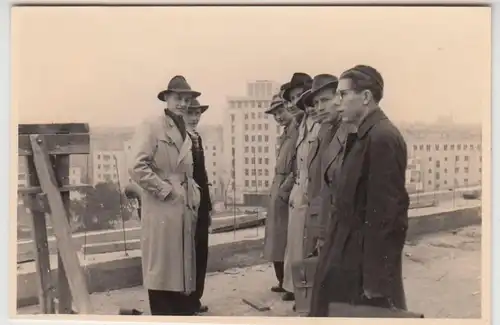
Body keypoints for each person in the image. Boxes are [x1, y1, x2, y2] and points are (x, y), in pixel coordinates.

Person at [308, 65, 409, 317]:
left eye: (343, 95)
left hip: (359, 265)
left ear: (365, 98)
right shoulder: (365, 134)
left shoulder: (382, 137)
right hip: (346, 253)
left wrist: (375, 282)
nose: (338, 102)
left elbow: (387, 216)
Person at [128, 75, 202, 316]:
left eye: (186, 99)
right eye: (177, 98)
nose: (182, 103)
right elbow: (137, 166)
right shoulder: (152, 126)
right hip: (161, 207)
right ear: (166, 99)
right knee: (161, 268)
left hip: (183, 206)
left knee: (180, 267)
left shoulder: (185, 131)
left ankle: (181, 313)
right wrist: (164, 190)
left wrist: (194, 195)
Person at [281, 72, 319, 302]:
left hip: (310, 189)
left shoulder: (317, 122)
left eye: (300, 96)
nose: (296, 101)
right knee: (295, 241)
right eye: (293, 97)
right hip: (299, 187)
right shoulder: (302, 123)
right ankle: (295, 287)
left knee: (307, 243)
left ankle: (304, 291)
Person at [299, 74, 344, 258]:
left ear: (339, 98)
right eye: (315, 103)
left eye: (325, 100)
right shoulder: (325, 130)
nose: (319, 107)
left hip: (336, 224)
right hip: (320, 218)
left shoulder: (349, 131)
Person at [262, 93, 297, 293]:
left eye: (281, 111)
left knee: (285, 238)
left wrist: (284, 190)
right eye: (275, 114)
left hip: (286, 188)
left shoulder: (296, 132)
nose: (279, 117)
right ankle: (282, 281)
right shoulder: (285, 134)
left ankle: (288, 283)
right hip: (279, 185)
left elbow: (297, 166)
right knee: (276, 237)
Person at [184, 98, 213, 314]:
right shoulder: (180, 139)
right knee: (188, 252)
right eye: (190, 113)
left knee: (201, 251)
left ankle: (195, 299)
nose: (194, 118)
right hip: (186, 203)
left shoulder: (197, 137)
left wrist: (207, 206)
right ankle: (186, 300)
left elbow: (202, 176)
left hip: (201, 203)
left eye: (197, 113)